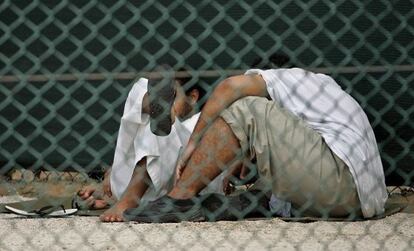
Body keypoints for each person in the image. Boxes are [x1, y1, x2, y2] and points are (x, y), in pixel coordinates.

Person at [125, 67, 388, 222]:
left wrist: (194, 143)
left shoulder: (280, 78)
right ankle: (256, 201)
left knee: (245, 108)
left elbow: (230, 87)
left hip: (340, 179)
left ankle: (179, 200)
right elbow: (296, 143)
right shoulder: (319, 90)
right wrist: (239, 151)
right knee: (266, 168)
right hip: (358, 196)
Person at [78, 69, 227, 222]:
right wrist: (110, 178)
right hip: (134, 188)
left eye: (173, 96)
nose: (170, 101)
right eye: (167, 97)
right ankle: (151, 102)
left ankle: (129, 200)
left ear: (193, 97)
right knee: (145, 94)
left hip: (179, 192)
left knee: (160, 125)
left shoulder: (201, 120)